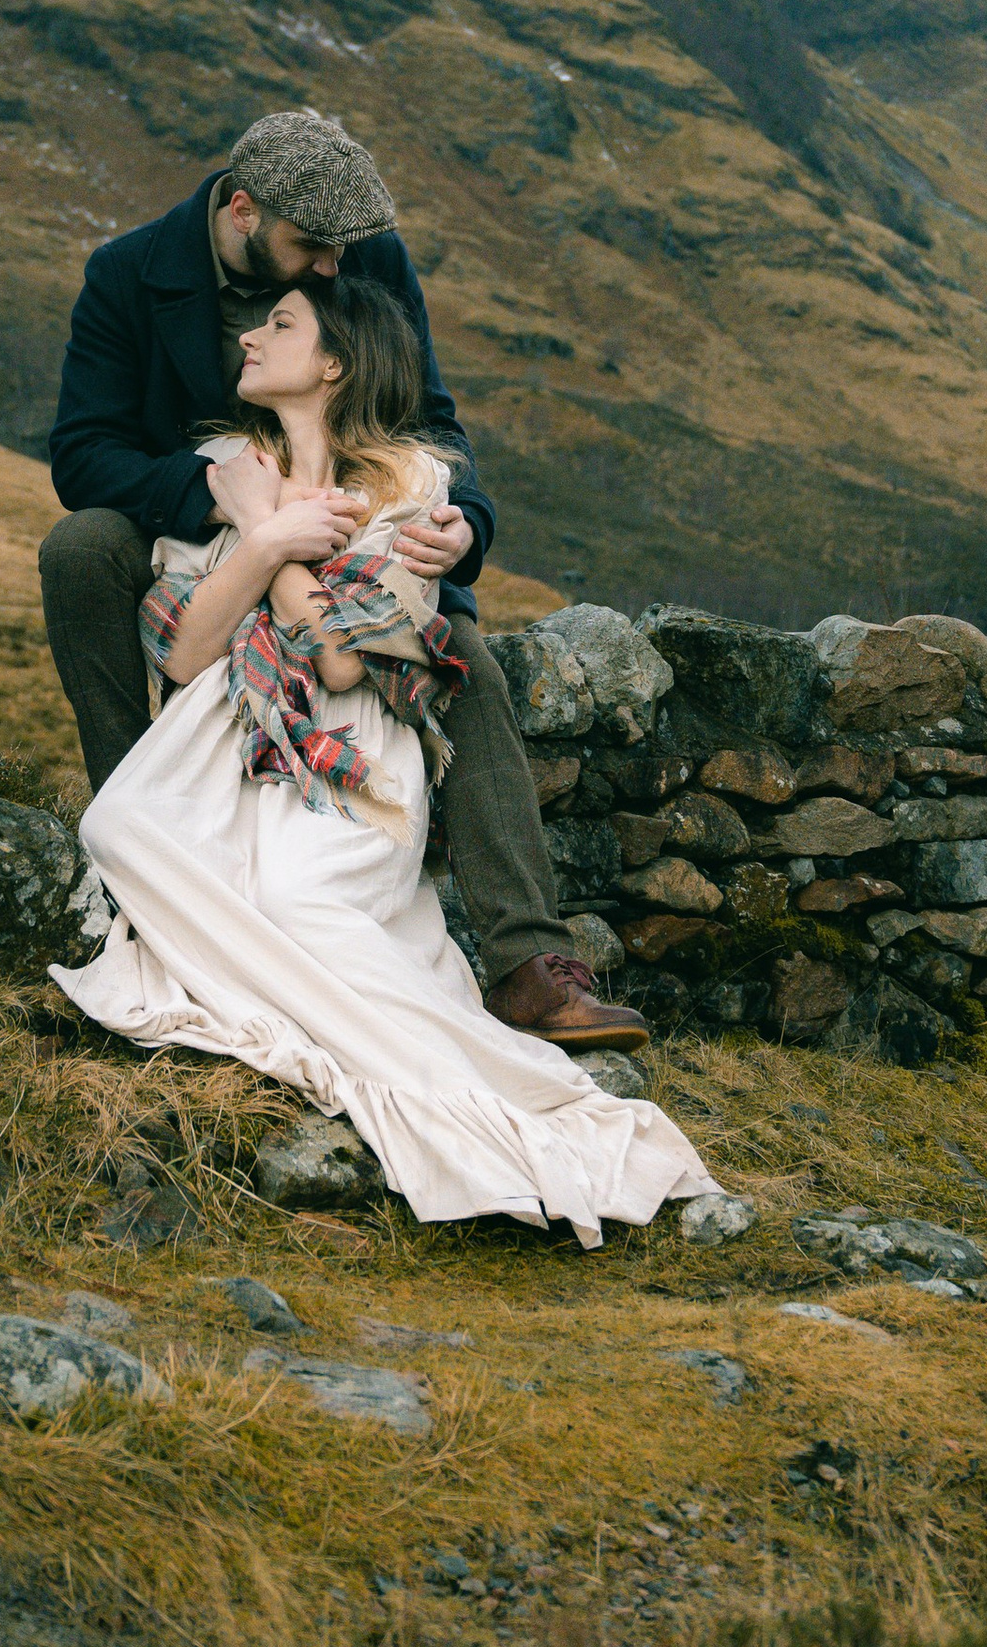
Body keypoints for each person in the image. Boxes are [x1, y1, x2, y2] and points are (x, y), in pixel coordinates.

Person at [52, 271, 717, 1246]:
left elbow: (342, 656)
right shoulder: (226, 466)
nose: (248, 337)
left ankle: (462, 1088)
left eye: (279, 324)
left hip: (355, 751)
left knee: (299, 900)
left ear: (332, 363)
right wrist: (267, 533)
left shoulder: (411, 489)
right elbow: (188, 653)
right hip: (234, 728)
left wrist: (267, 541)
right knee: (115, 825)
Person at [42, 108, 649, 1049]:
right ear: (243, 209)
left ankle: (530, 964)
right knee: (78, 549)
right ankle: (140, 871)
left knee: (464, 660)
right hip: (198, 529)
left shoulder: (364, 253)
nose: (333, 266)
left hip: (359, 526)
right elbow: (82, 452)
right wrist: (221, 498)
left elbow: (430, 415)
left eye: (340, 250)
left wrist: (466, 525)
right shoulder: (127, 274)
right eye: (311, 248)